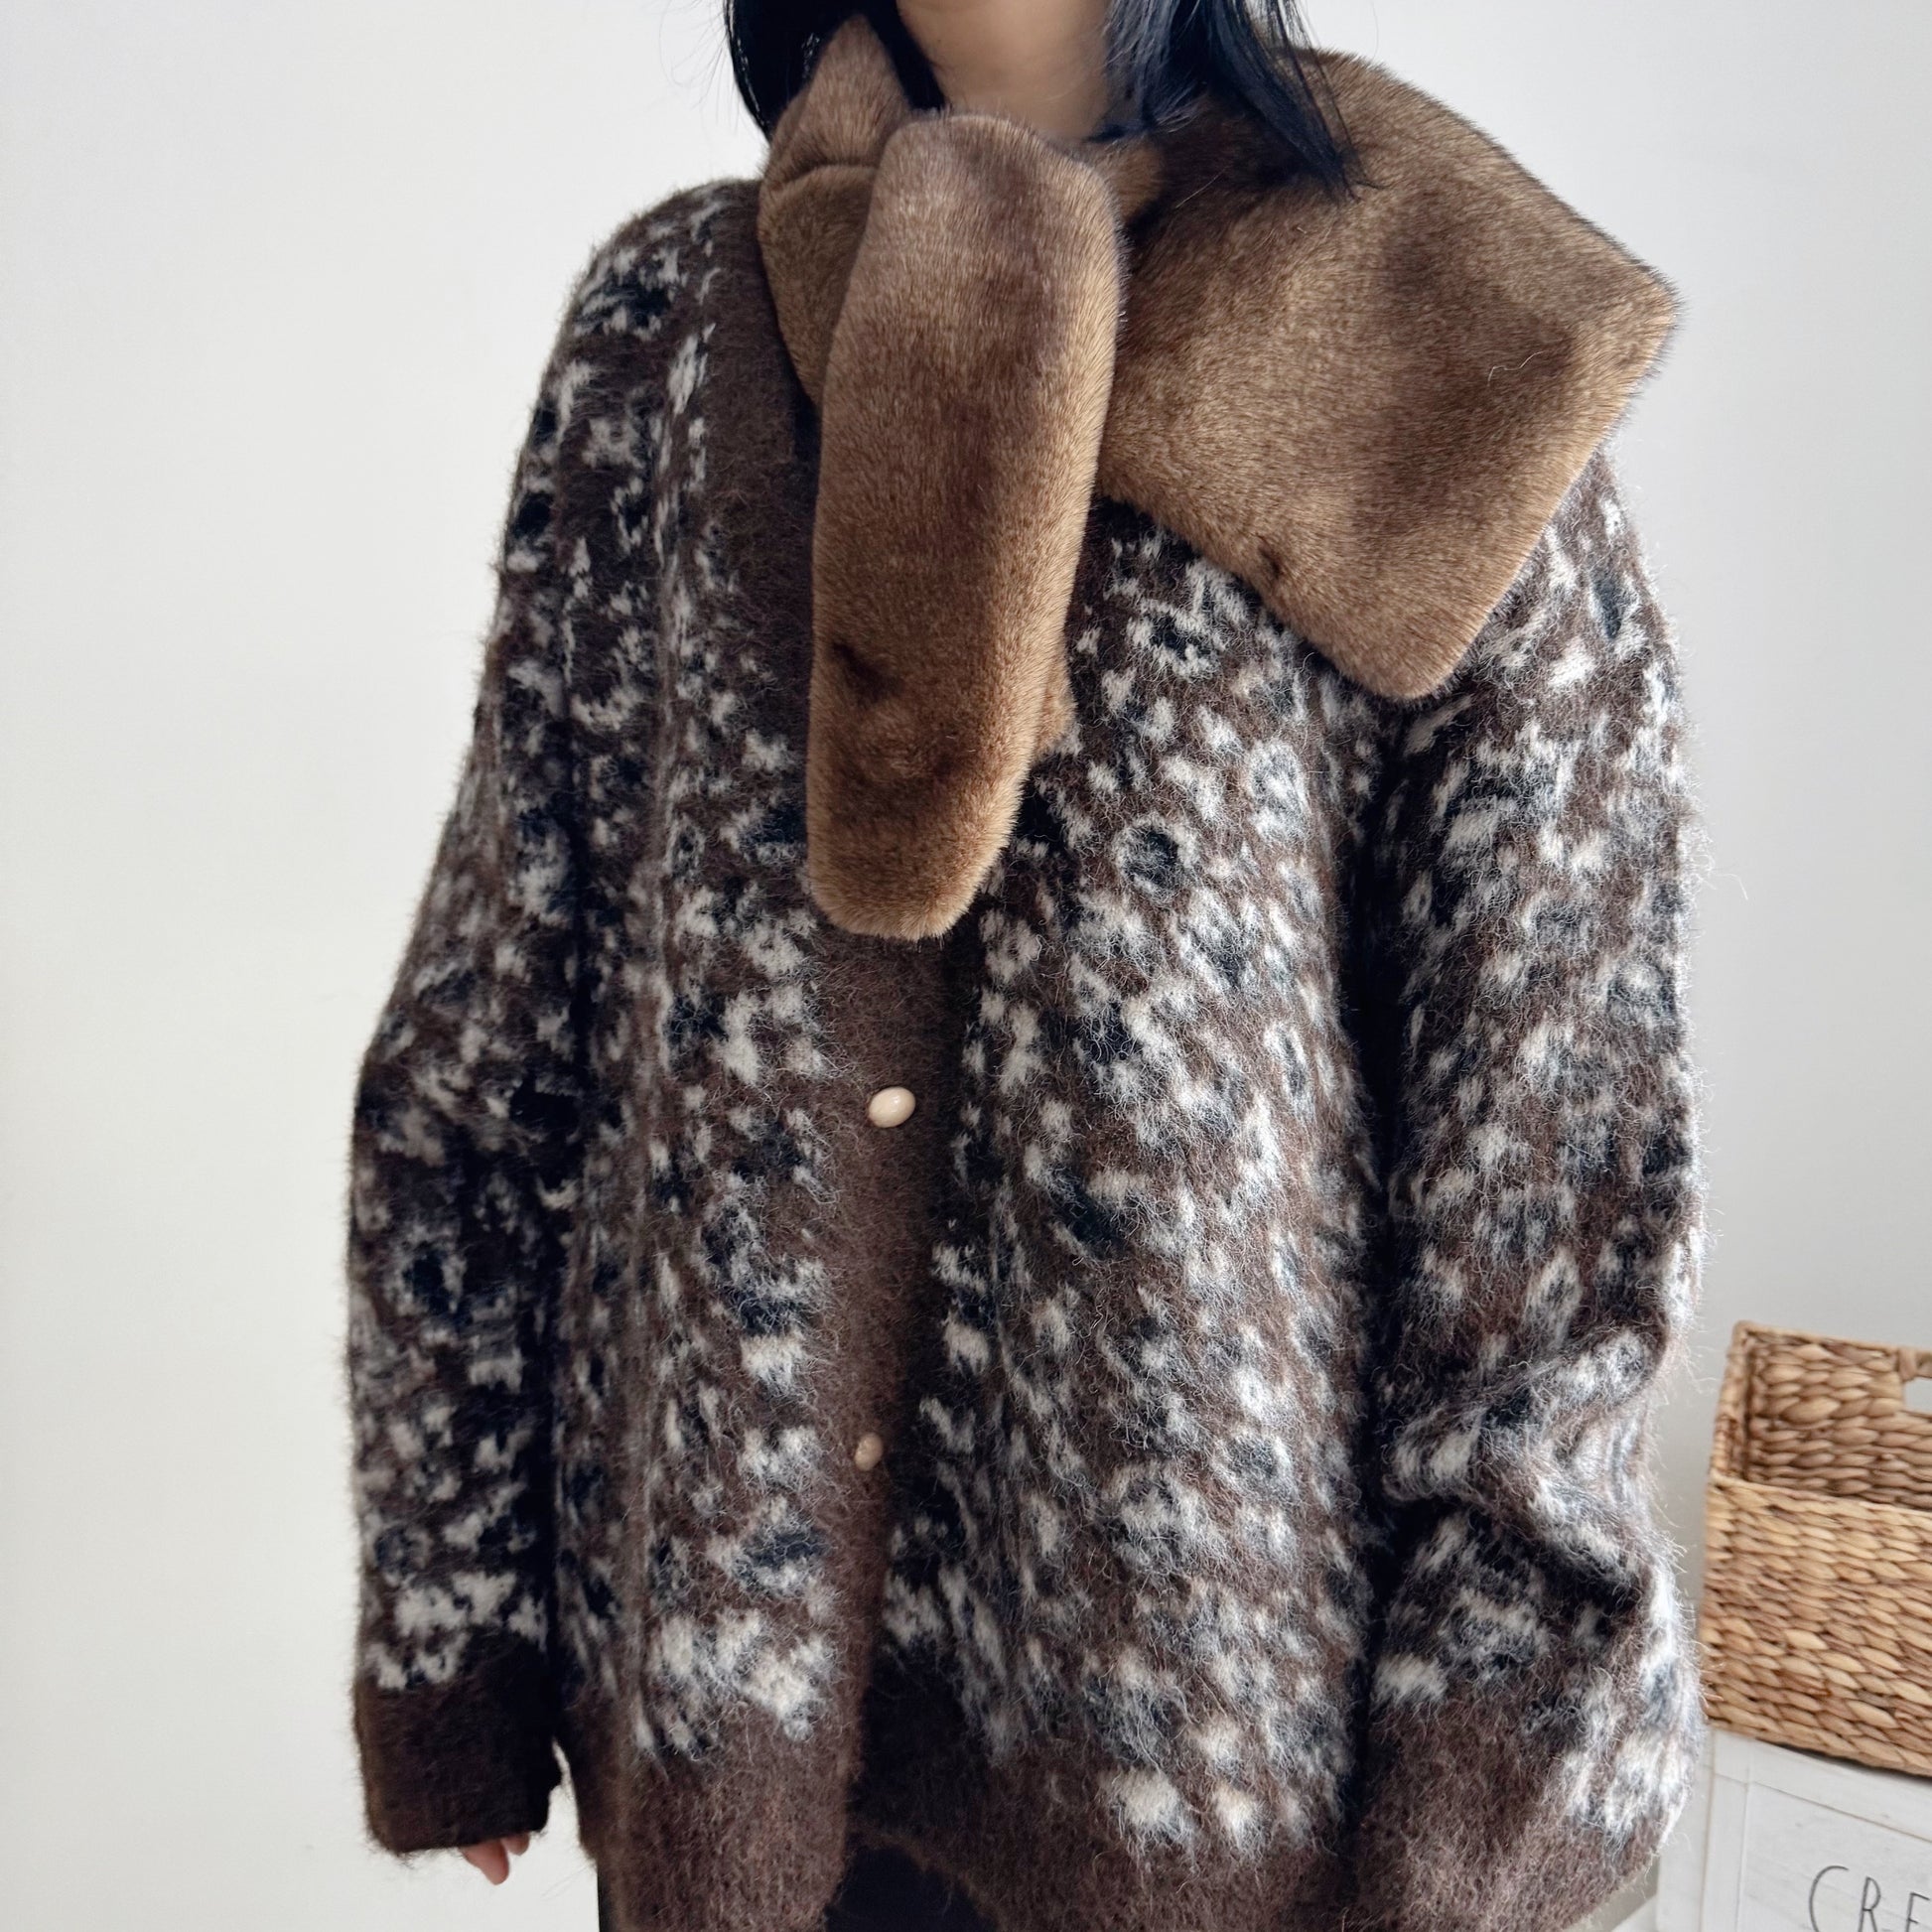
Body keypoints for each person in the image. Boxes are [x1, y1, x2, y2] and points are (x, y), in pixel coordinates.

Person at [345, 1, 1705, 1928]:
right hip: (743, 1745)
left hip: (1220, 1788)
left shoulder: (1435, 341)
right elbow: (495, 1024)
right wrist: (458, 1617)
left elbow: (1556, 1149)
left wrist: (1491, 1786)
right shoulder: (673, 335)